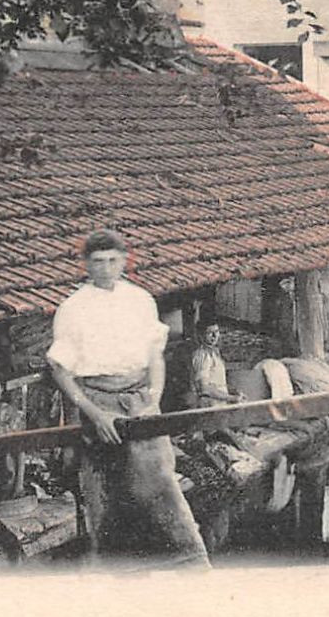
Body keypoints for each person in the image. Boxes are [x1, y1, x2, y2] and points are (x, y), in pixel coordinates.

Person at [47, 229, 209, 565]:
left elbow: (155, 358)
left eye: (112, 260)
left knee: (161, 480)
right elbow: (62, 372)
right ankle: (119, 571)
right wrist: (93, 413)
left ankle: (186, 562)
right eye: (98, 261)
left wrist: (153, 399)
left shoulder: (140, 301)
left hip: (140, 399)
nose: (105, 268)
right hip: (98, 401)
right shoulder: (73, 308)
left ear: (124, 261)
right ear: (86, 265)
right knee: (107, 489)